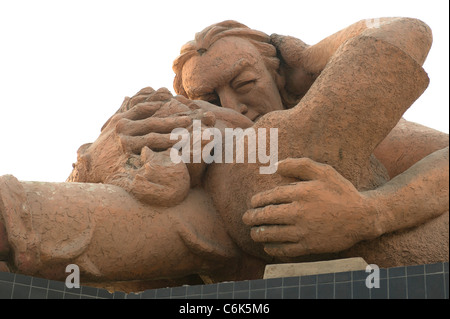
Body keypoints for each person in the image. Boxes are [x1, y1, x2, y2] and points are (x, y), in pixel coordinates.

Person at [1, 18, 448, 290]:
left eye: (245, 83)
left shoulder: (364, 134)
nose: (232, 106)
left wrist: (370, 214)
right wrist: (111, 163)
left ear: (282, 78)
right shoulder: (206, 148)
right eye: (210, 98)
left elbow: (401, 33)